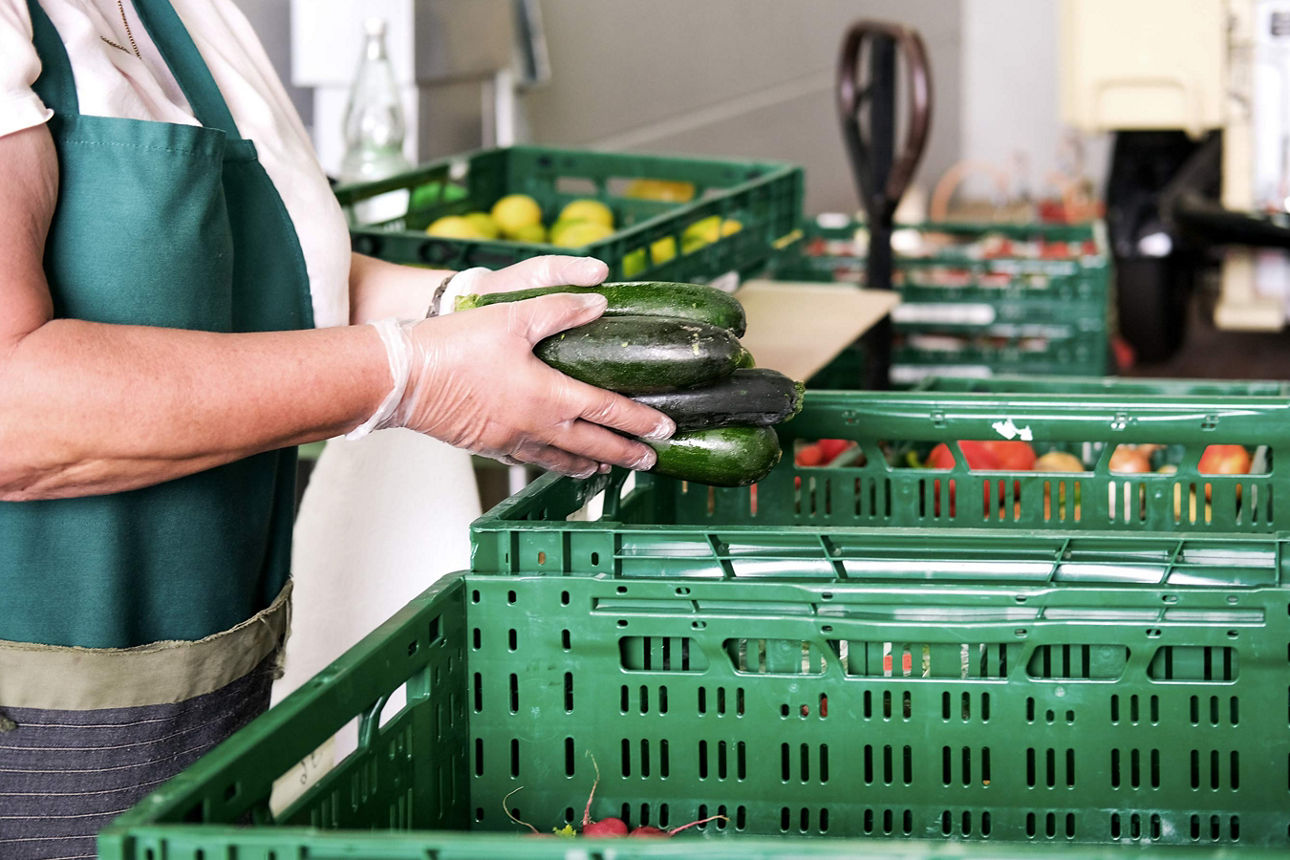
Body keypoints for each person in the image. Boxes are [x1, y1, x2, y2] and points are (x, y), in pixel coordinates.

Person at [0, 0, 673, 855]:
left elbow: (249, 271)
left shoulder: (190, 13)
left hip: (211, 687)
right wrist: (411, 374)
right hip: (32, 725)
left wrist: (455, 309)